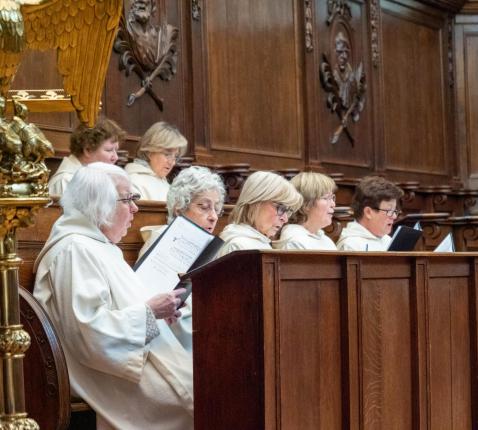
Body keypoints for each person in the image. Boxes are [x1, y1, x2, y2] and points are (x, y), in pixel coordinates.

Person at [34, 163, 193, 430]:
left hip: (134, 360)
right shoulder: (74, 250)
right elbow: (89, 331)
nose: (135, 208)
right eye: (128, 199)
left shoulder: (97, 246)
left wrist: (159, 315)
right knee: (199, 403)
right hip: (112, 375)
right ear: (100, 205)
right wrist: (150, 313)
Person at [138, 166, 226, 353]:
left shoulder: (204, 244)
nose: (213, 217)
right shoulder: (165, 242)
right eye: (204, 207)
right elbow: (156, 305)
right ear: (179, 208)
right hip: (171, 342)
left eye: (216, 208)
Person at [217, 171, 302, 257]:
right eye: (281, 208)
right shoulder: (238, 246)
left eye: (287, 211)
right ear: (256, 202)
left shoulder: (260, 242)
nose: (285, 219)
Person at [48, 118, 125, 195]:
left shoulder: (96, 178)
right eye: (109, 150)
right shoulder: (66, 181)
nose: (115, 157)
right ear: (88, 150)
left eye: (116, 150)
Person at [336, 175, 403, 251]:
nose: (394, 216)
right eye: (389, 211)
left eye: (395, 211)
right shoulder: (350, 245)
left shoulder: (388, 241)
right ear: (368, 212)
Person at [273, 172, 337, 250]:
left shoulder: (326, 240)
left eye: (332, 198)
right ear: (306, 204)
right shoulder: (294, 243)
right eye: (326, 198)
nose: (333, 204)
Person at [125, 121, 187, 201]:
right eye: (167, 154)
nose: (172, 162)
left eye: (175, 156)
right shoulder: (133, 182)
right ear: (150, 152)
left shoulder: (166, 184)